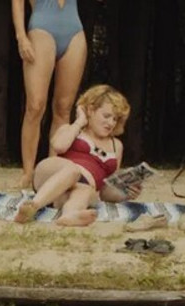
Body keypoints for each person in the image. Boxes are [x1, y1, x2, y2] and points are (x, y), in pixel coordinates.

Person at [11, 0, 147, 189]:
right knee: (36, 105)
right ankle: (27, 172)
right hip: (41, 30)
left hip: (73, 32)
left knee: (63, 107)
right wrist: (21, 36)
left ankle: (51, 171)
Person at [15, 84, 137, 227]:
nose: (110, 123)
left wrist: (126, 192)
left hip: (76, 188)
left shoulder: (116, 145)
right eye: (107, 116)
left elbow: (106, 191)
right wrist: (79, 122)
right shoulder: (72, 129)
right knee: (73, 170)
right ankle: (33, 206)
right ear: (90, 110)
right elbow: (59, 146)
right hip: (52, 174)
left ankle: (69, 215)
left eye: (115, 119)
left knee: (85, 191)